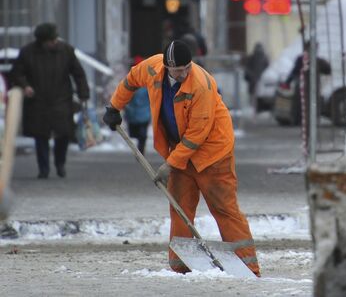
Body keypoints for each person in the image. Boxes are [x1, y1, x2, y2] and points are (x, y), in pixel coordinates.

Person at [102, 40, 260, 276]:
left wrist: (170, 165)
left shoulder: (202, 84)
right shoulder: (153, 68)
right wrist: (114, 107)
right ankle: (180, 267)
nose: (185, 73)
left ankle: (248, 267)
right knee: (180, 209)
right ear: (167, 67)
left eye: (188, 67)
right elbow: (131, 79)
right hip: (179, 151)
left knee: (224, 209)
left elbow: (197, 135)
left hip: (213, 154)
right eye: (179, 70)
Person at [10, 23, 89, 179]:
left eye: (55, 39)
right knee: (41, 136)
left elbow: (78, 73)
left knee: (64, 134)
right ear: (42, 41)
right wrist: (25, 86)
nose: (54, 42)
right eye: (51, 40)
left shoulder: (66, 50)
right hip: (37, 100)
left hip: (61, 99)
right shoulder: (28, 53)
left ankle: (60, 164)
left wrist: (83, 93)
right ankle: (44, 168)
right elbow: (16, 73)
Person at [124, 56, 151, 154]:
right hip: (142, 113)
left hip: (136, 112)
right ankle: (141, 148)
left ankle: (141, 150)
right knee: (139, 134)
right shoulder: (148, 80)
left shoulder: (130, 80)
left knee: (139, 134)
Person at [243, 42, 269, 109]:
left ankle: (256, 108)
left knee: (258, 96)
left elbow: (267, 69)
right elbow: (247, 68)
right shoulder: (252, 58)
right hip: (254, 81)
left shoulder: (264, 58)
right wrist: (252, 76)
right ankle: (254, 108)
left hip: (260, 81)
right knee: (254, 96)